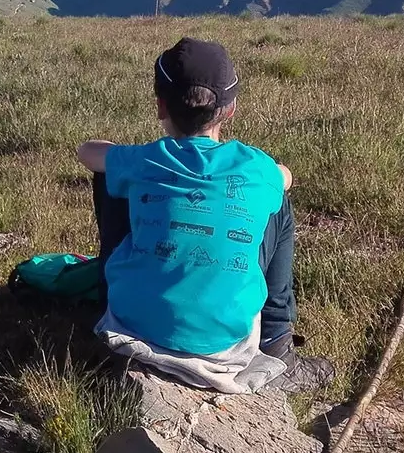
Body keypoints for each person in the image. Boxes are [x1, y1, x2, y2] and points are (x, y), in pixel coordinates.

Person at [74, 37, 333, 394]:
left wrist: (127, 158)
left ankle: (114, 295)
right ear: (230, 110)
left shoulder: (145, 160)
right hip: (223, 347)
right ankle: (277, 345)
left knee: (110, 176)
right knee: (278, 204)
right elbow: (286, 177)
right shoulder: (255, 168)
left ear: (160, 107)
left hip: (131, 328)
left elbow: (87, 151)